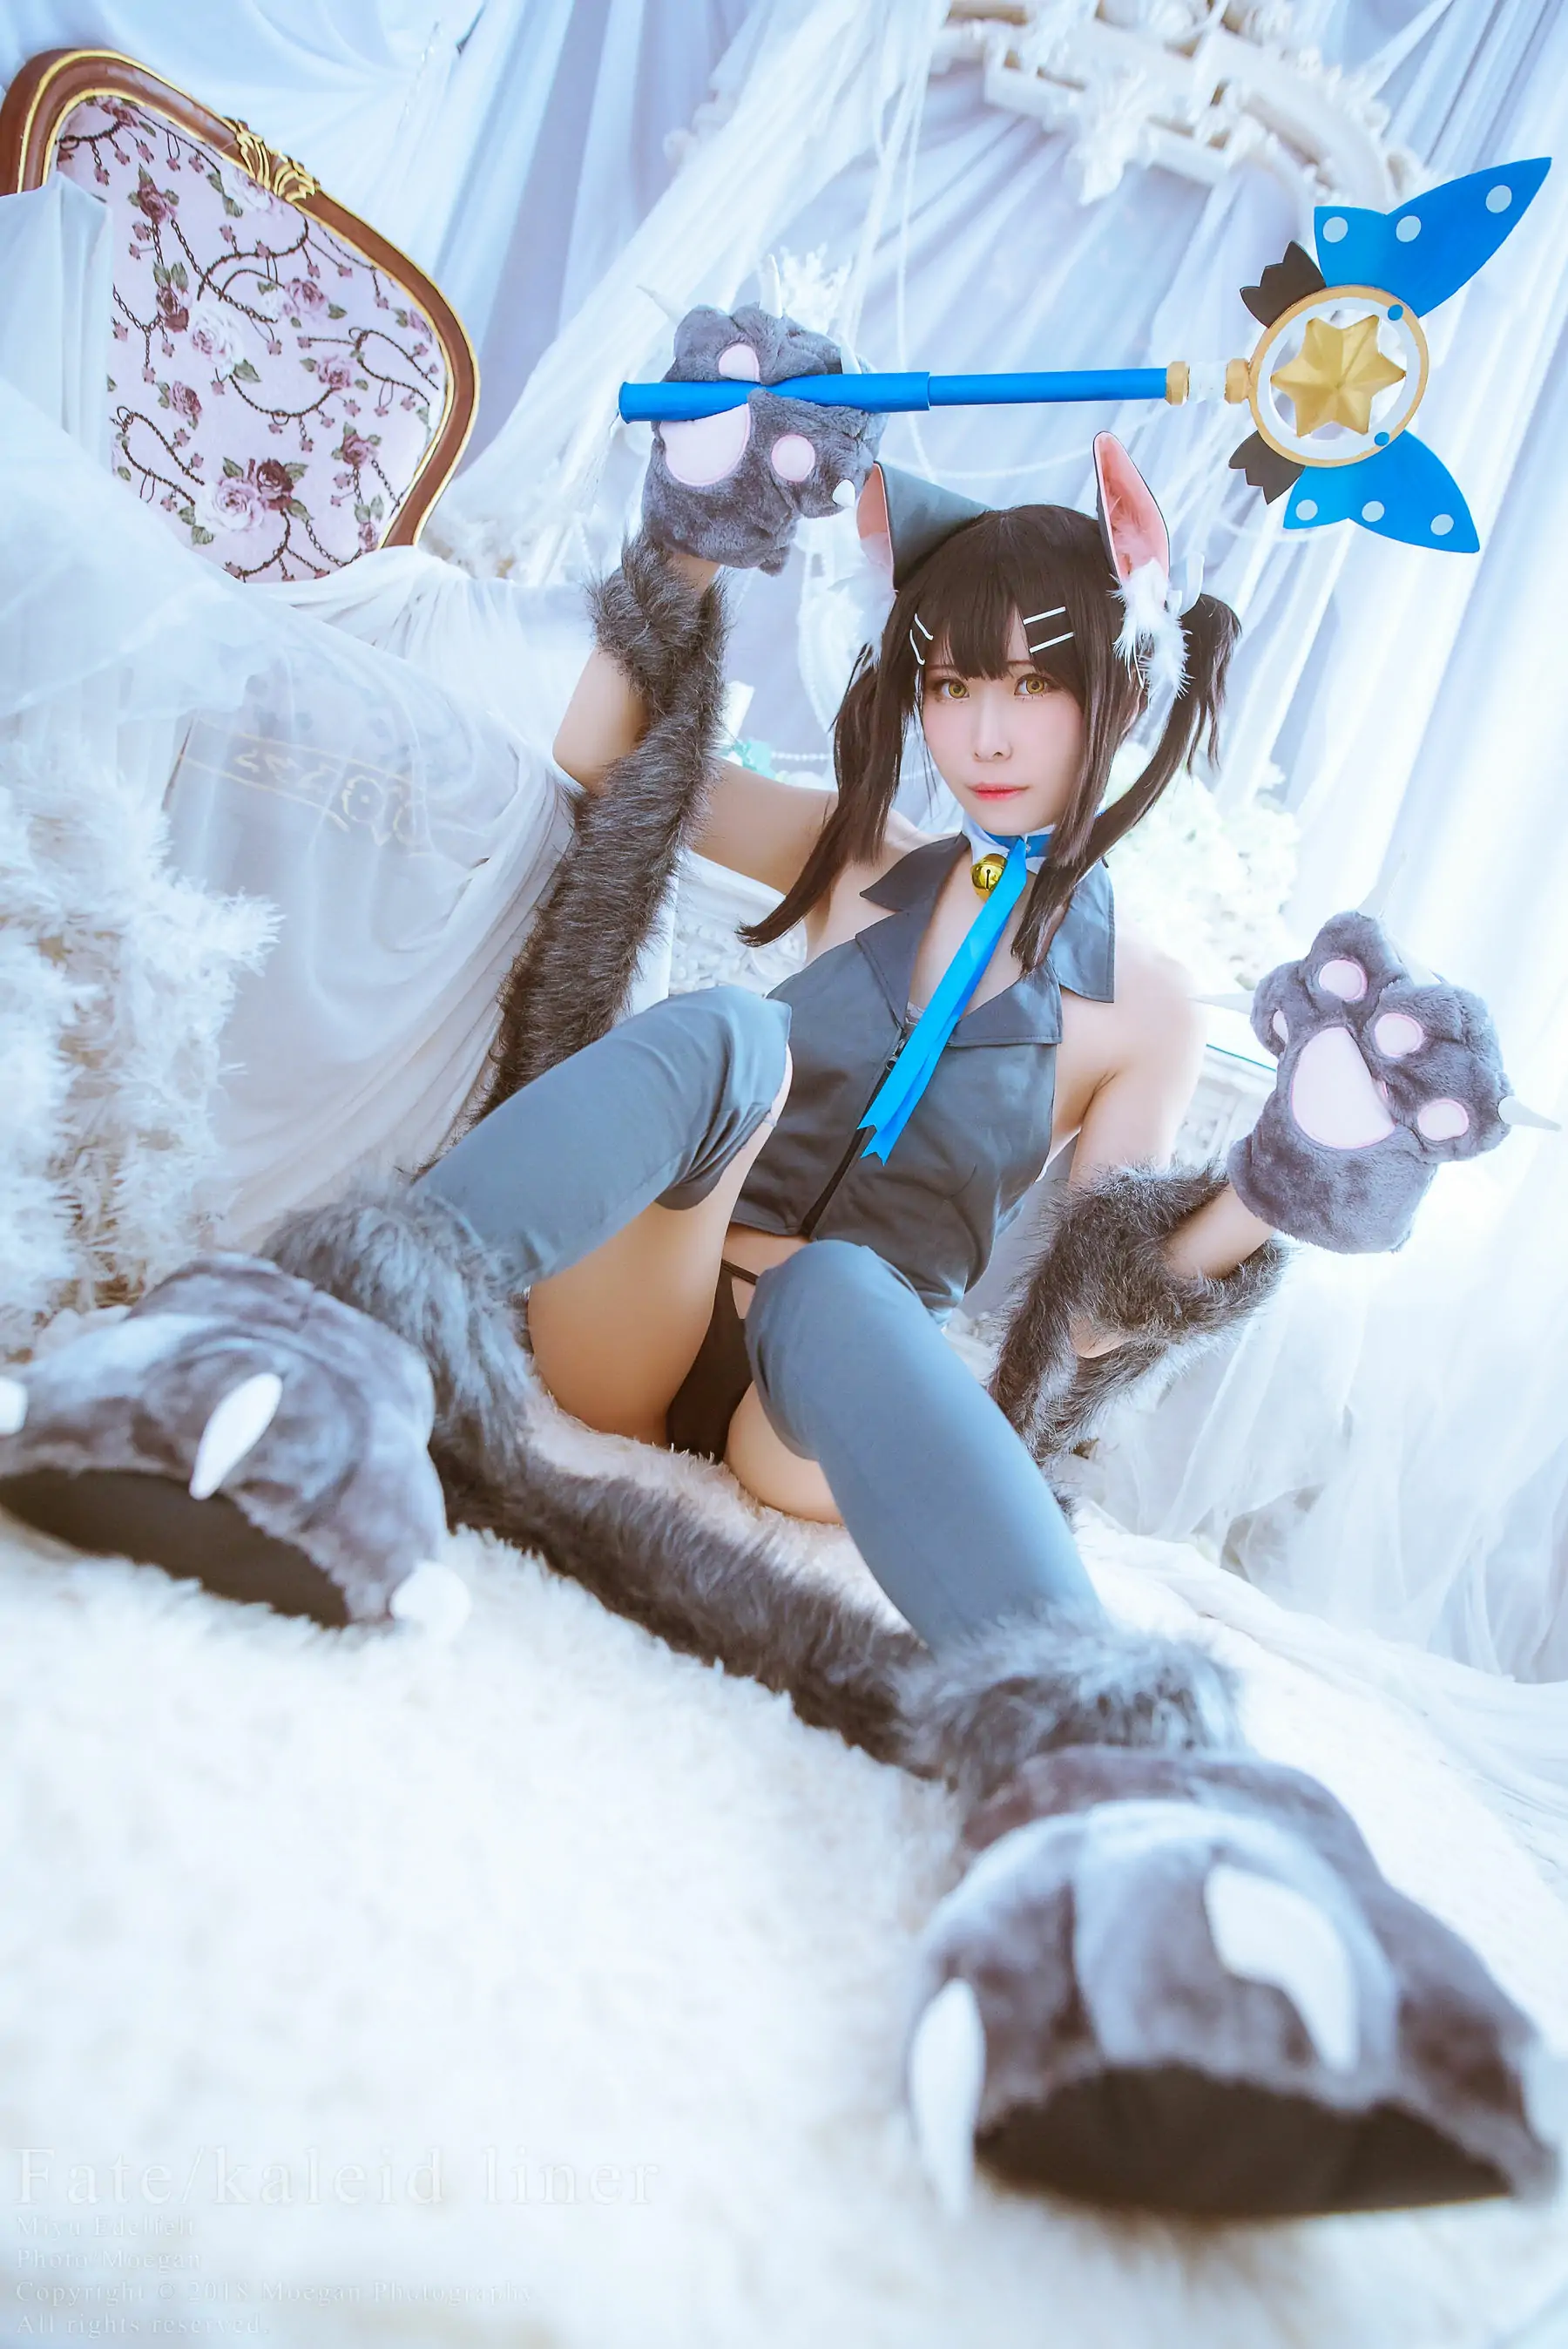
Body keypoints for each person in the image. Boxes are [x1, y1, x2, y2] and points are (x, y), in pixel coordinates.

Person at [404, 306, 1286, 1653]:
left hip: (823, 1410)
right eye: (952, 686)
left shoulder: (1147, 1010)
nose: (983, 734)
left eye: (1030, 688)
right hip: (642, 1315)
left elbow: (1094, 1316)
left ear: (1118, 686)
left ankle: (1075, 1693)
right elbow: (606, 757)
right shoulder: (856, 850)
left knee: (841, 1289)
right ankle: (350, 1307)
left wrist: (1281, 1189)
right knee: (728, 1037)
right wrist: (692, 544)